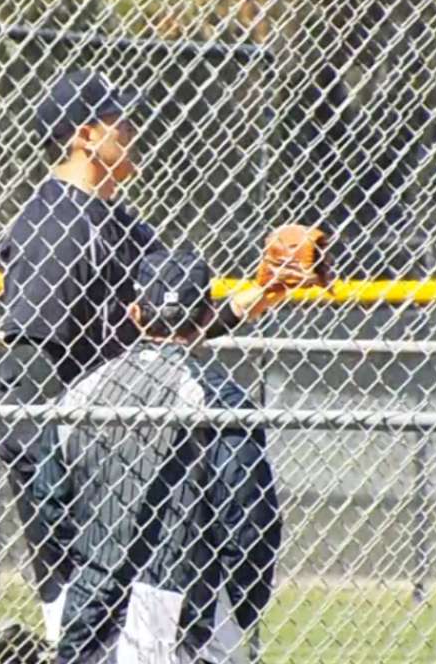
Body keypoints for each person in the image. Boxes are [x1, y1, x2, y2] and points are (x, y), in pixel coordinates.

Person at [0, 69, 304, 633]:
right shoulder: (54, 228)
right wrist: (59, 537)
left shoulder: (120, 223)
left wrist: (265, 290)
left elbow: (175, 323)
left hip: (136, 464)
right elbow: (25, 388)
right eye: (119, 121)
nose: (131, 129)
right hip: (83, 476)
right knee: (92, 636)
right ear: (86, 136)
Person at [32, 249, 282, 663]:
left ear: (134, 313)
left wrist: (85, 566)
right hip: (186, 609)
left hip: (92, 603)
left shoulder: (83, 390)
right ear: (206, 316)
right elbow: (248, 518)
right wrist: (242, 605)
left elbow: (49, 500)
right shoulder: (219, 398)